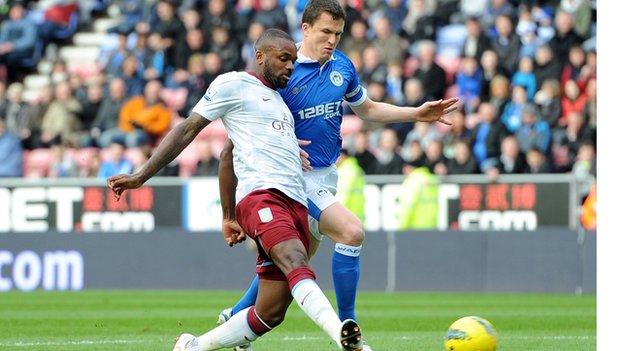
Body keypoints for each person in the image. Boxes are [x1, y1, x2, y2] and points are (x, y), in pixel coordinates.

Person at [218, 2, 458, 350]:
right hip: (296, 179)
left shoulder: (342, 67)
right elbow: (246, 129)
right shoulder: (282, 70)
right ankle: (350, 328)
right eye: (325, 32)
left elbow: (369, 109)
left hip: (327, 175)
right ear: (305, 28)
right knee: (351, 231)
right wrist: (282, 145)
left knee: (287, 268)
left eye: (338, 34)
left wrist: (416, 114)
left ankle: (235, 318)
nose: (332, 40)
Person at [107, 29, 365, 351]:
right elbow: (190, 129)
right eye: (284, 59)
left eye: (293, 61)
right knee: (296, 258)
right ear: (260, 57)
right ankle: (344, 338)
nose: (290, 66)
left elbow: (233, 152)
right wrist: (142, 174)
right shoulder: (234, 84)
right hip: (262, 196)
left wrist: (285, 150)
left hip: (296, 202)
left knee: (271, 312)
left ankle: (193, 346)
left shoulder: (281, 105)